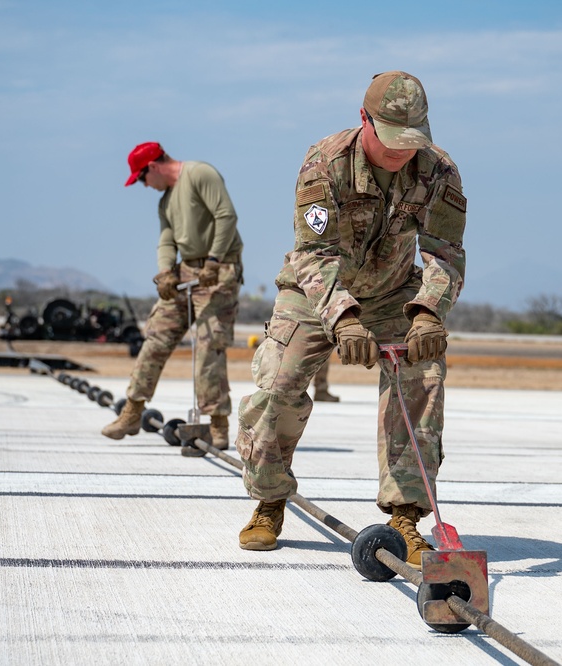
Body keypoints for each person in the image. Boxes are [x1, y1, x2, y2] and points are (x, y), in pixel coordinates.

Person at [234, 71, 466, 569]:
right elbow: (313, 254)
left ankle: (405, 516)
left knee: (423, 375)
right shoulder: (326, 163)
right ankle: (270, 498)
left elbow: (446, 253)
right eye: (391, 140)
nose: (402, 151)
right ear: (365, 120)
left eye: (413, 140)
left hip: (394, 293)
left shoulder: (440, 171)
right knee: (277, 385)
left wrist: (428, 314)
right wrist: (342, 319)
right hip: (313, 290)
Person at [102, 142, 244, 452]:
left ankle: (217, 424)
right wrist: (166, 272)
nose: (144, 186)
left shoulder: (199, 174)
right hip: (188, 270)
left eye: (142, 179)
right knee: (156, 338)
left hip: (218, 271)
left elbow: (226, 217)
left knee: (209, 345)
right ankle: (132, 411)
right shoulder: (165, 201)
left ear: (152, 167)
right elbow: (166, 240)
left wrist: (215, 260)